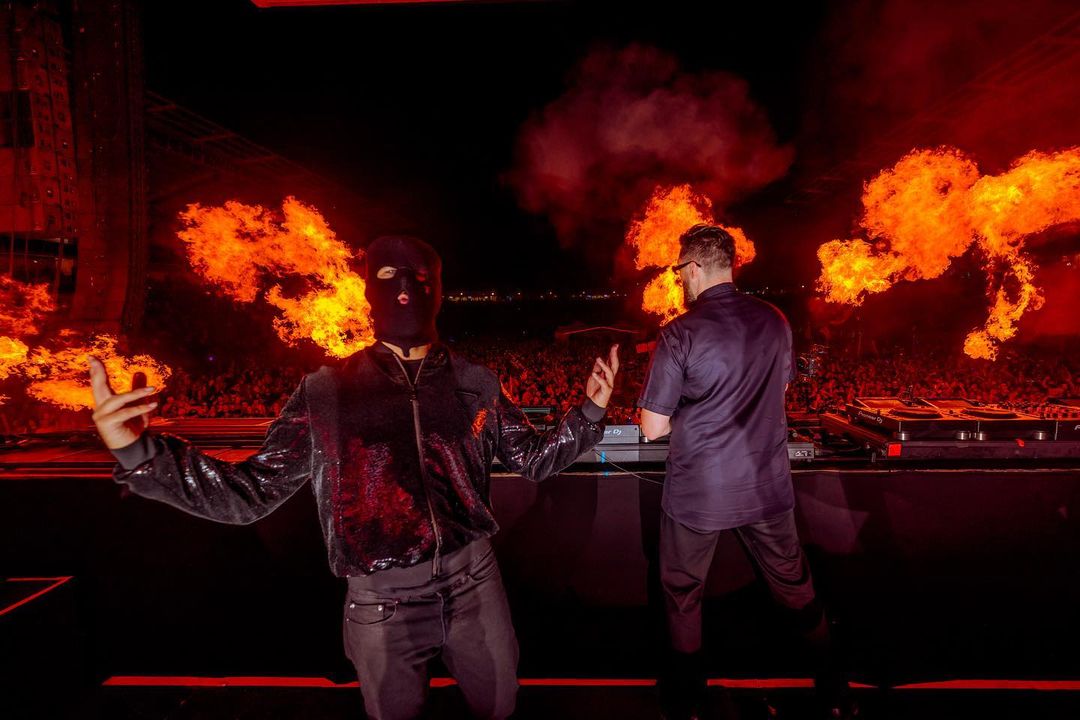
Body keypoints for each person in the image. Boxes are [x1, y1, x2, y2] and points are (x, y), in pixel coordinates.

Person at [89, 235, 620, 720]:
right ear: (367, 292)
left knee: (500, 706)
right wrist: (140, 453)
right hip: (383, 602)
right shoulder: (327, 391)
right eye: (389, 276)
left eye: (421, 278)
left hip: (475, 584)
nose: (406, 289)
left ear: (439, 291)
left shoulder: (475, 382)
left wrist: (590, 413)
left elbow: (531, 459)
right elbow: (251, 493)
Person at [637, 224, 850, 720]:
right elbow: (777, 391)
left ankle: (688, 703)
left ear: (693, 268)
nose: (679, 280)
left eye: (680, 271)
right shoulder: (775, 320)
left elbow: (652, 427)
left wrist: (683, 411)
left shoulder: (680, 333)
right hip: (765, 485)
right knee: (795, 586)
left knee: (683, 593)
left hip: (699, 491)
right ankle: (835, 691)